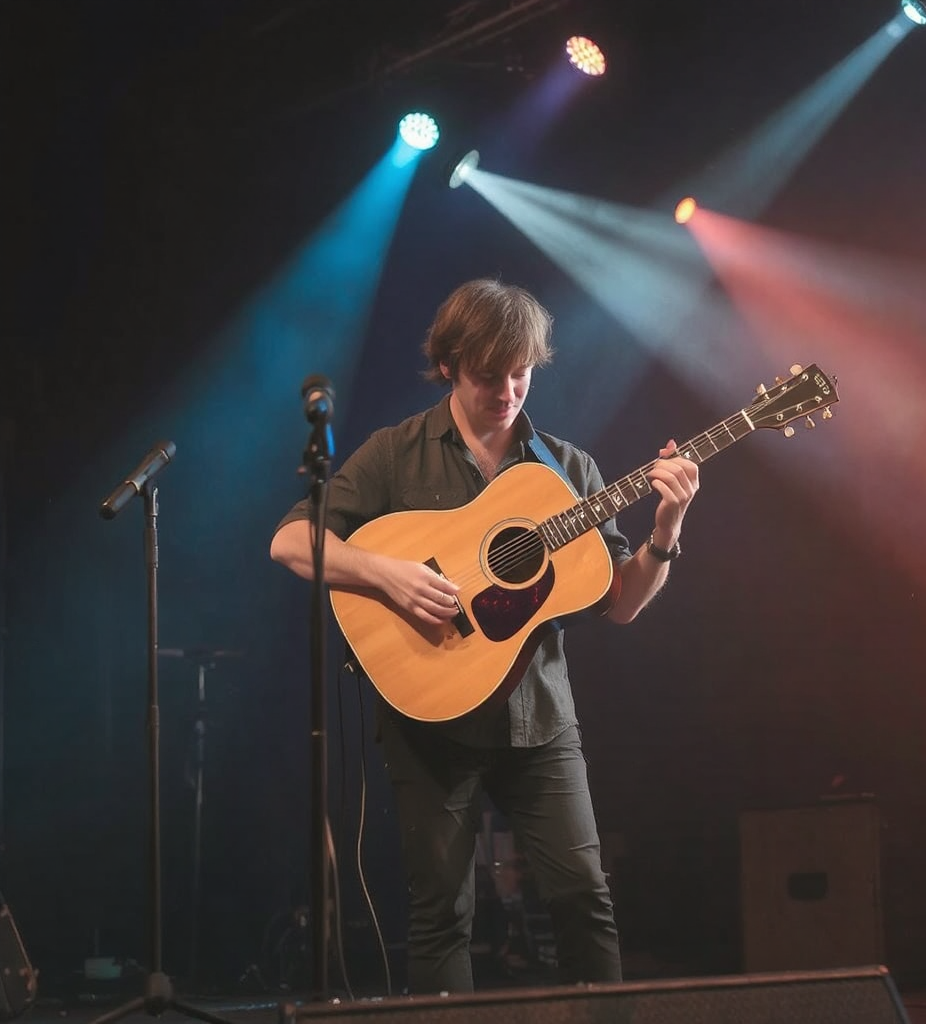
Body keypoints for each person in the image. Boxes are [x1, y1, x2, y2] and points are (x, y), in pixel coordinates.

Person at [269, 278, 699, 994]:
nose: (506, 391)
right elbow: (289, 542)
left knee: (585, 902)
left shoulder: (570, 473)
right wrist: (384, 575)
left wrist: (666, 529)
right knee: (442, 916)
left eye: (520, 373)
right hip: (429, 719)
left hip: (541, 722)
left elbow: (621, 604)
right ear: (449, 365)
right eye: (488, 375)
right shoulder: (396, 453)